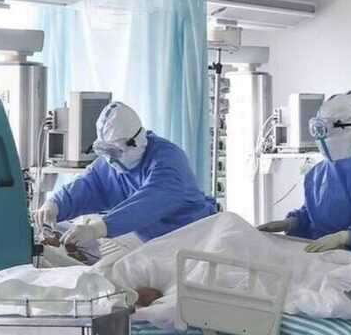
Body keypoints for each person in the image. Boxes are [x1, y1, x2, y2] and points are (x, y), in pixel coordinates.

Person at [34, 101, 216, 248]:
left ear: (135, 142)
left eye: (114, 152)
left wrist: (97, 229)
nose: (110, 160)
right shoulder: (113, 165)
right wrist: (54, 205)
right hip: (156, 243)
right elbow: (88, 184)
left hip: (196, 240)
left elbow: (148, 204)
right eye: (105, 152)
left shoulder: (169, 161)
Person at [258, 91, 351, 253]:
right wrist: (291, 223)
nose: (320, 138)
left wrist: (345, 237)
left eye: (324, 129)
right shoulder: (316, 173)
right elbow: (312, 216)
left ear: (346, 130)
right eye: (316, 129)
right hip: (321, 259)